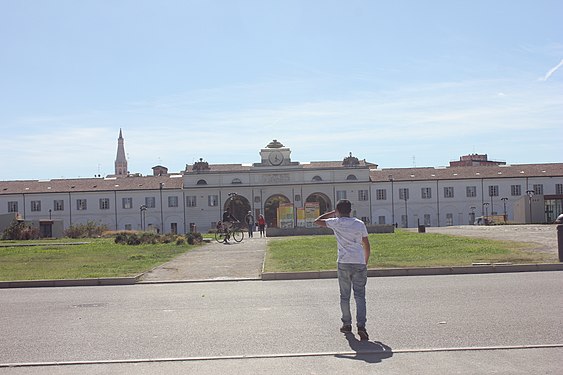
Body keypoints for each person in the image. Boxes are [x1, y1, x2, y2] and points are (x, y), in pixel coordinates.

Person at [314, 199, 371, 340]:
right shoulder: (359, 224)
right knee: (360, 296)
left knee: (344, 296)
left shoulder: (336, 222)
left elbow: (317, 221)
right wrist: (365, 261)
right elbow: (366, 244)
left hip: (344, 262)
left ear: (338, 211)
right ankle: (361, 326)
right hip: (358, 261)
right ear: (350, 210)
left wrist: (333, 213)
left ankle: (347, 324)